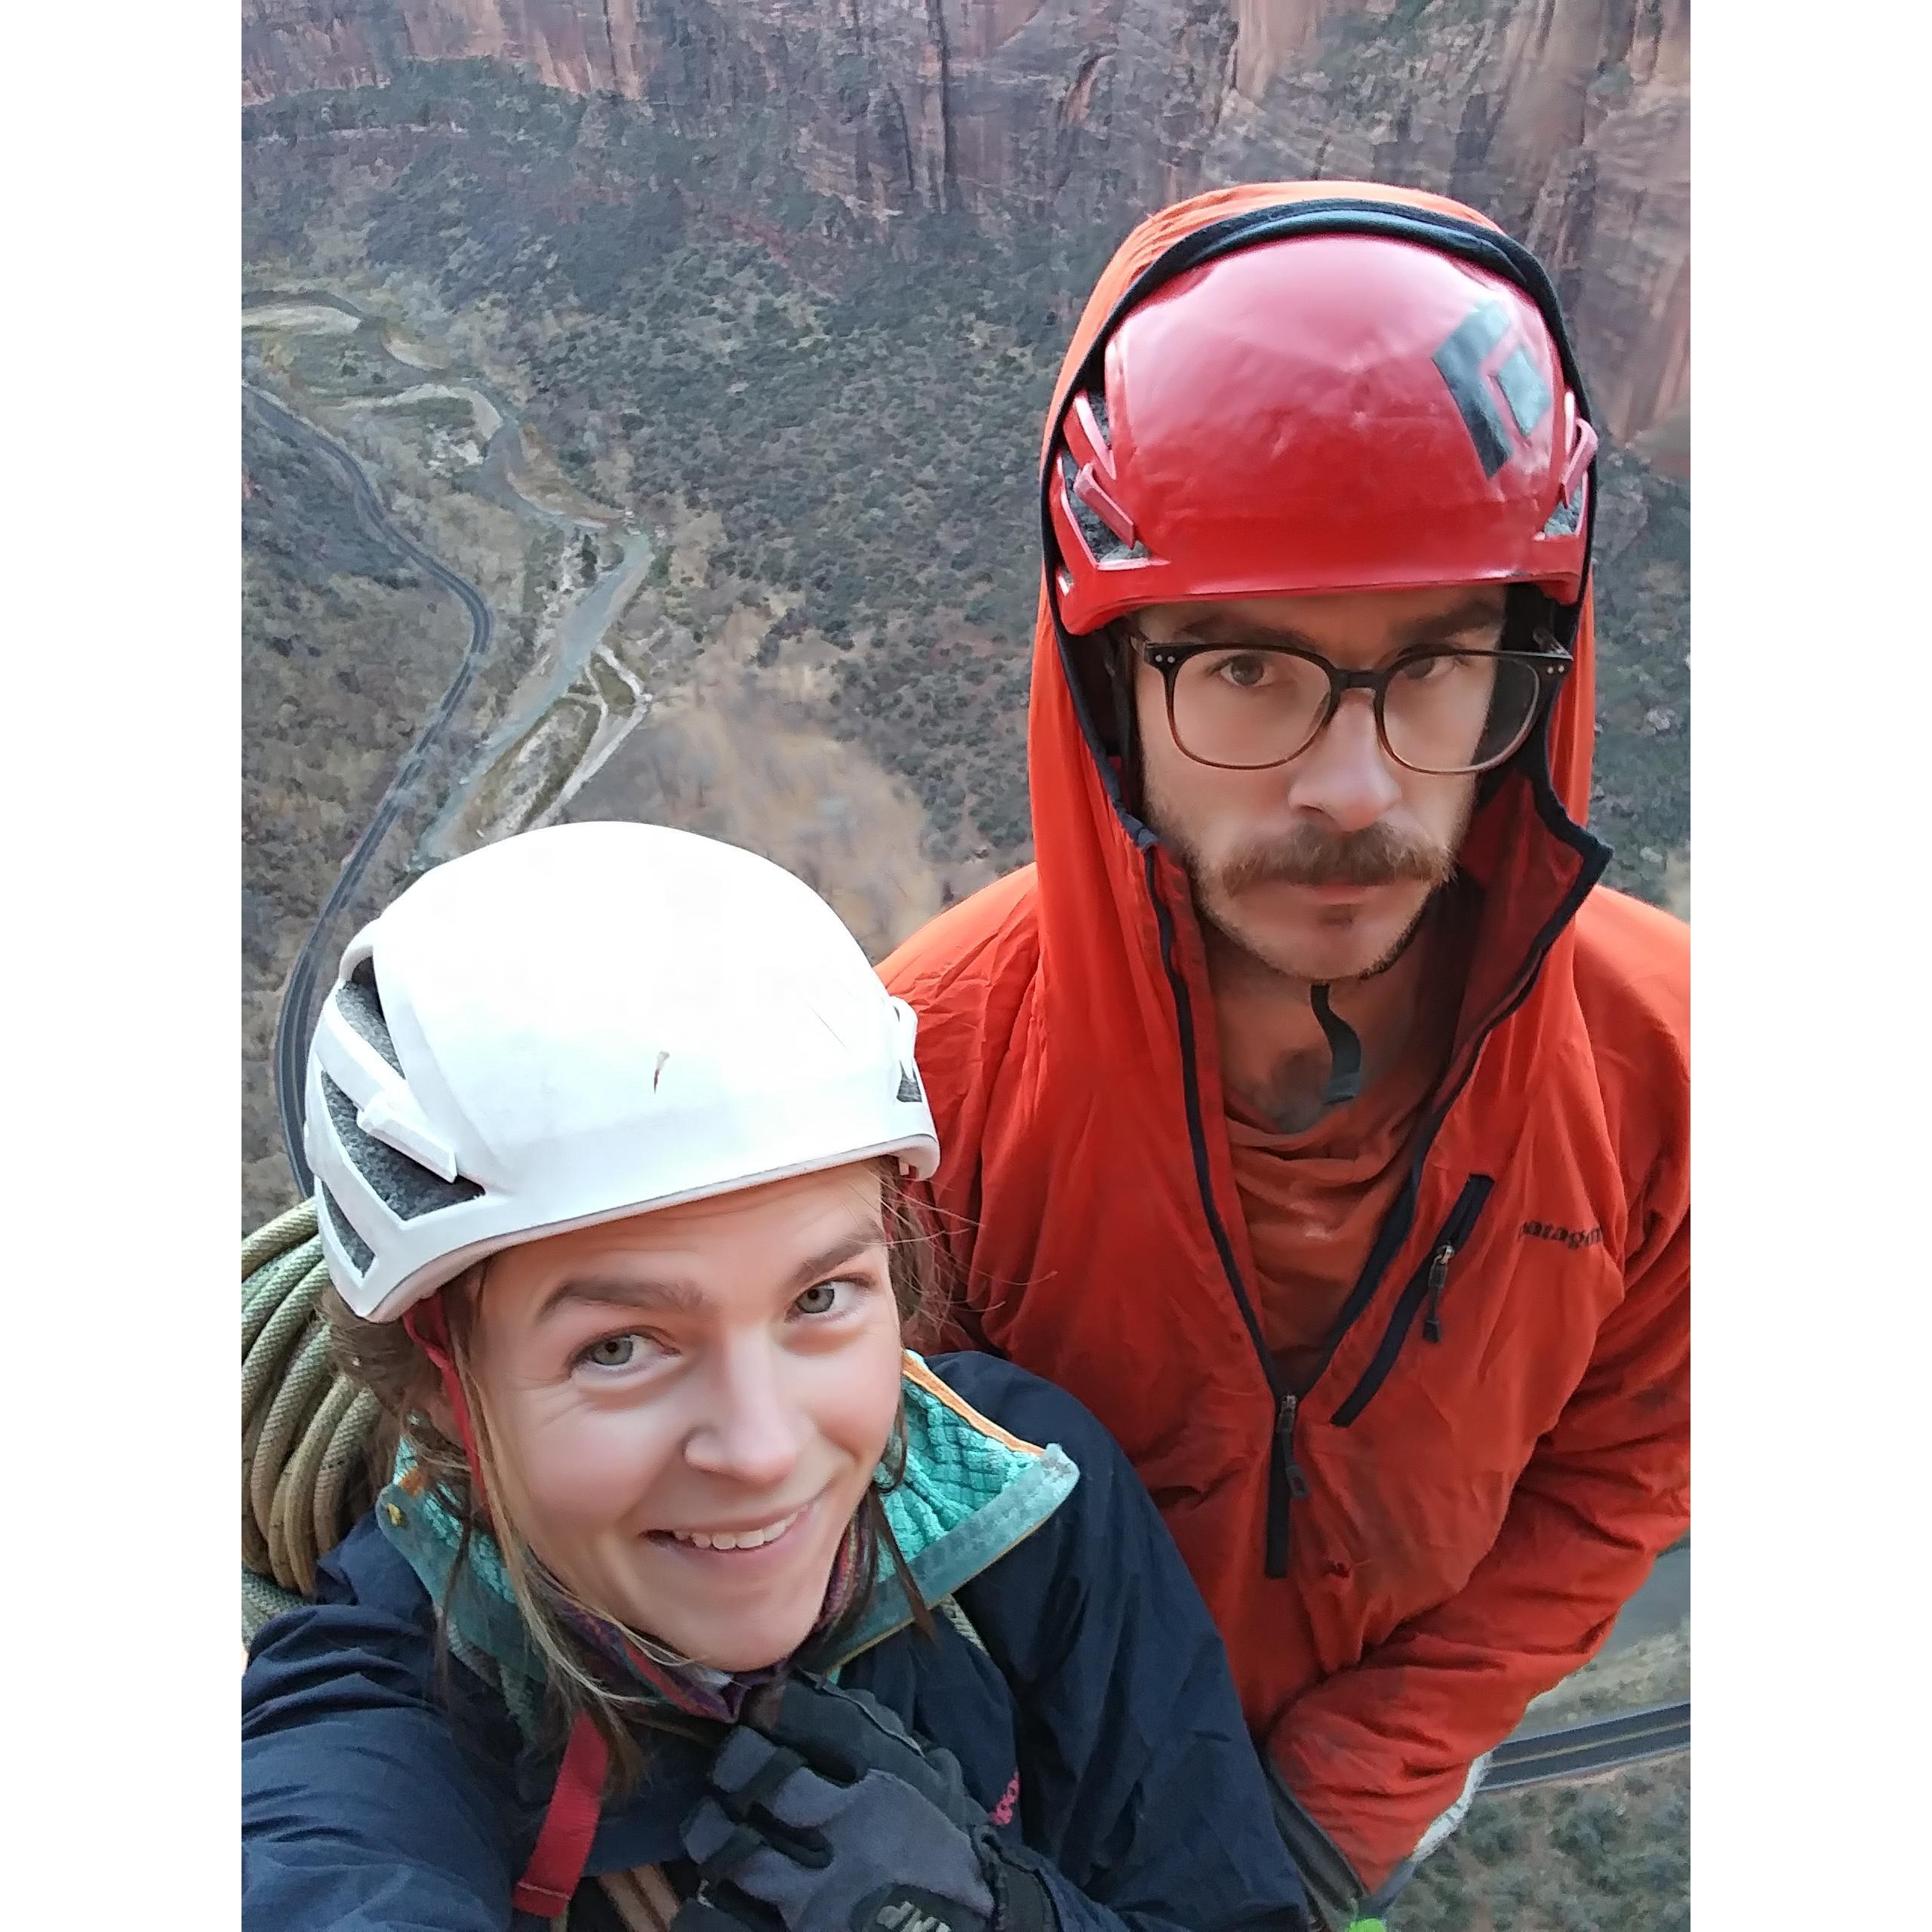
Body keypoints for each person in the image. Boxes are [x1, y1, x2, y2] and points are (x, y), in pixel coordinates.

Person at [879, 180, 1690, 1926]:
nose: (1349, 784)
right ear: (1108, 687)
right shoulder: (926, 1077)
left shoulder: (1671, 1074)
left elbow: (1624, 1467)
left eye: (1436, 665)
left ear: (1529, 675)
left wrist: (1342, 1799)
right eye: (1245, 668)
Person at [241, 820, 1312, 1932]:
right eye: (620, 1348)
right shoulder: (384, 1707)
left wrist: (1014, 1916)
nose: (760, 1451)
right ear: (440, 1384)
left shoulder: (1027, 1497)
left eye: (820, 1298)